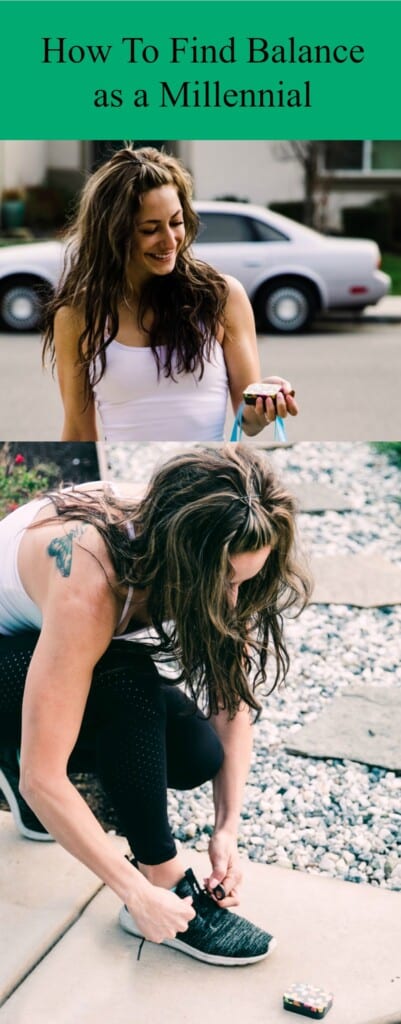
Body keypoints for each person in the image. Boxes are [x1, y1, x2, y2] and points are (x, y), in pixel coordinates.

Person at [0, 444, 310, 965]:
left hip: (34, 646)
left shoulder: (219, 526)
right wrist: (135, 893)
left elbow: (230, 704)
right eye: (224, 583)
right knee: (127, 685)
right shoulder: (91, 579)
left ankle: (15, 750)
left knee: (196, 755)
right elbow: (42, 775)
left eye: (245, 581)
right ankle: (163, 878)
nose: (234, 602)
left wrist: (226, 828)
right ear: (181, 558)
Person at [42, 145, 298, 442]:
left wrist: (264, 402)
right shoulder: (76, 316)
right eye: (150, 229)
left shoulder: (221, 297)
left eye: (175, 223)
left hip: (205, 469)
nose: (169, 241)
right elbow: (78, 431)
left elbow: (248, 422)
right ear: (113, 234)